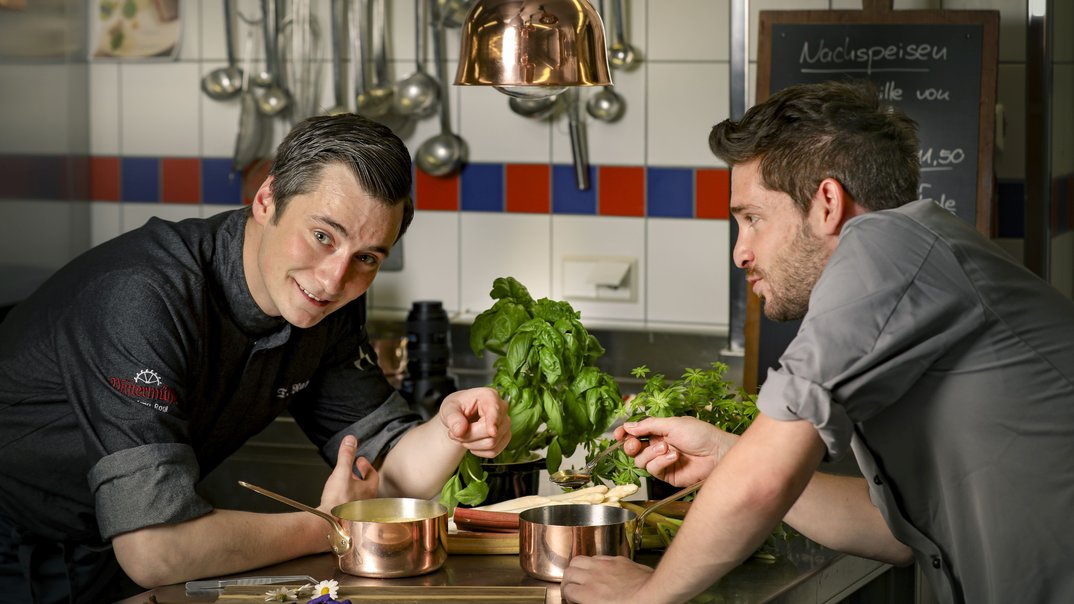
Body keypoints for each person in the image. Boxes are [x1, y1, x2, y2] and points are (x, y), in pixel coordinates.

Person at [560, 79, 1074, 604]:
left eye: (752, 219)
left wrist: (645, 598)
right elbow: (894, 532)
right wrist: (725, 456)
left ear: (827, 202)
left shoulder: (887, 245)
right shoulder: (912, 269)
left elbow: (763, 481)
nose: (741, 253)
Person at [0, 113, 510, 602]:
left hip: (104, 556)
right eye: (321, 235)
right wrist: (326, 527)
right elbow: (153, 548)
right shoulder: (142, 297)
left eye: (367, 257)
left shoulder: (323, 302)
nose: (335, 279)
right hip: (14, 545)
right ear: (267, 199)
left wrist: (453, 428)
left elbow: (386, 475)